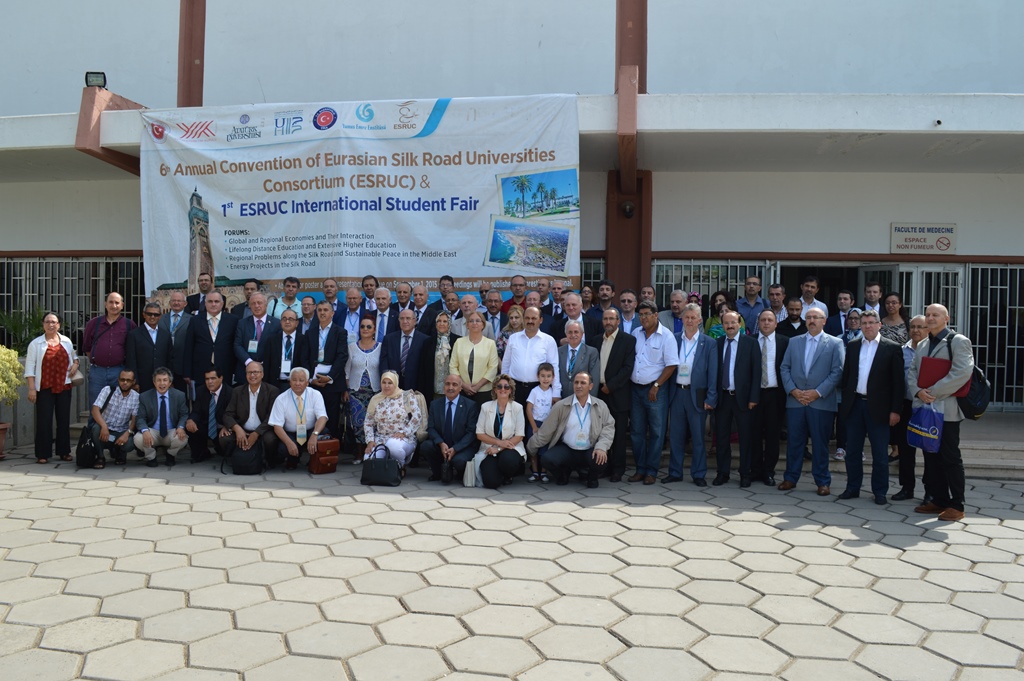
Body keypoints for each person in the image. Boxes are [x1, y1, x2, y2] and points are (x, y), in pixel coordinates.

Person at [907, 304, 974, 522]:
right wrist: (918, 392)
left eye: (935, 315)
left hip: (948, 410)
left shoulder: (958, 341)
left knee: (950, 457)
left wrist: (933, 392)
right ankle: (939, 499)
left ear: (947, 318)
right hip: (926, 409)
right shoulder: (923, 344)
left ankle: (957, 504)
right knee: (931, 456)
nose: (930, 318)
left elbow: (962, 372)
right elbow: (912, 372)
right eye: (928, 314)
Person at [836, 310, 905, 505]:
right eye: (864, 323)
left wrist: (895, 410)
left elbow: (898, 384)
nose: (867, 326)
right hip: (855, 405)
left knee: (880, 454)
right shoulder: (853, 345)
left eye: (871, 322)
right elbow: (847, 377)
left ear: (879, 325)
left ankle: (880, 491)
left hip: (880, 409)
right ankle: (852, 487)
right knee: (853, 451)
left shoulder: (892, 348)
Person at [779, 309, 844, 495]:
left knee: (820, 443)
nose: (812, 320)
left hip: (821, 402)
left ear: (824, 321)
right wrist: (793, 391)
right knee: (794, 442)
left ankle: (822, 481)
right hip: (796, 401)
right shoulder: (794, 342)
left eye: (816, 317)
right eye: (808, 317)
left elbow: (837, 372)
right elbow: (784, 368)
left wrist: (817, 393)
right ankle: (790, 478)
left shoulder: (835, 343)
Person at [529, 372, 615, 488]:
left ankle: (591, 477)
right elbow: (546, 431)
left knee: (601, 458)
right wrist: (530, 447)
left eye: (583, 383)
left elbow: (609, 427)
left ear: (590, 386)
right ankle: (563, 474)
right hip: (568, 449)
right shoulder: (561, 405)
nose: (579, 386)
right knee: (547, 459)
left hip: (590, 449)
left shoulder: (600, 405)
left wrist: (602, 447)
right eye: (576, 382)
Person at [665, 303, 717, 486]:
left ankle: (699, 473)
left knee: (698, 438)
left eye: (693, 317)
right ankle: (675, 472)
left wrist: (711, 397)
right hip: (677, 393)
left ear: (699, 320)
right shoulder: (674, 339)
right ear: (682, 319)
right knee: (676, 437)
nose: (689, 320)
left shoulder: (708, 343)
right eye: (686, 317)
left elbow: (713, 373)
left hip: (698, 396)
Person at [629, 300, 679, 484]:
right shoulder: (636, 333)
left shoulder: (667, 336)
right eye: (640, 315)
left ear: (656, 315)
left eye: (646, 314)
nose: (643, 318)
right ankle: (640, 469)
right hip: (635, 389)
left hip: (656, 390)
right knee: (637, 431)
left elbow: (671, 364)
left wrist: (657, 385)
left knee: (657, 432)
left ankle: (651, 471)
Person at [713, 311, 761, 487]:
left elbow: (757, 372)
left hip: (744, 399)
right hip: (723, 397)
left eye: (733, 322)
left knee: (745, 438)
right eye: (726, 323)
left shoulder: (751, 343)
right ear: (722, 325)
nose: (730, 326)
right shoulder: (718, 343)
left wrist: (754, 397)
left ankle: (745, 473)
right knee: (722, 438)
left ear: (740, 324)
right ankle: (722, 473)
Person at [25, 312, 80, 464]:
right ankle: (42, 453)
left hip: (64, 386)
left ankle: (64, 451)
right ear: (43, 324)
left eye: (54, 322)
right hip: (44, 387)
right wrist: (31, 389)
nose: (51, 325)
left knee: (63, 420)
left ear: (59, 325)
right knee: (44, 421)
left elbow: (74, 357)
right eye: (47, 322)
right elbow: (29, 368)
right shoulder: (36, 344)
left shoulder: (66, 341)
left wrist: (75, 365)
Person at [891, 315, 929, 501]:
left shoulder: (933, 351)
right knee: (905, 450)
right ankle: (907, 488)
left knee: (930, 450)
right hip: (906, 405)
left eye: (920, 327)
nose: (916, 330)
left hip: (927, 407)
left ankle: (931, 491)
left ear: (928, 330)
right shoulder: (901, 351)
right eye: (912, 327)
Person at [750, 309, 789, 486]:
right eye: (763, 320)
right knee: (754, 434)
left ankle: (768, 472)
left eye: (770, 320)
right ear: (758, 323)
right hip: (755, 394)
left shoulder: (784, 342)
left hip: (775, 394)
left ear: (776, 323)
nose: (766, 323)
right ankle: (755, 470)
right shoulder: (750, 341)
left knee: (773, 435)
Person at [598, 308, 636, 482]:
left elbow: (627, 368)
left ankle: (618, 469)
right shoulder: (596, 340)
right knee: (601, 433)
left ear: (618, 321)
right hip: (599, 393)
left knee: (619, 435)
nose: (608, 322)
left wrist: (610, 386)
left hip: (618, 393)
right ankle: (604, 466)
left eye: (611, 319)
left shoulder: (628, 340)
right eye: (605, 319)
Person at [221, 361, 281, 467]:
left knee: (270, 440)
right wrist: (237, 429)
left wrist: (256, 433)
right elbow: (227, 414)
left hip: (263, 430)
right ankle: (237, 460)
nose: (252, 375)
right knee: (224, 438)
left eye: (255, 372)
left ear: (262, 374)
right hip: (243, 428)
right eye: (249, 372)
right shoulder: (238, 391)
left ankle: (269, 461)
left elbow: (271, 416)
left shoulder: (272, 391)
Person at [304, 300, 349, 440]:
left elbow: (342, 356)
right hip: (314, 383)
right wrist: (311, 379)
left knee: (332, 418)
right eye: (320, 310)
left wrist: (329, 377)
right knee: (312, 417)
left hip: (332, 383)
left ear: (332, 313)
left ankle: (330, 448)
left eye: (325, 310)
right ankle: (313, 447)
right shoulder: (310, 333)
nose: (322, 313)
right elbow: (304, 358)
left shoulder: (340, 332)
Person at [423, 374, 481, 483]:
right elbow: (431, 428)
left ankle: (459, 473)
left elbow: (471, 432)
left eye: (454, 385)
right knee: (426, 446)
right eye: (447, 384)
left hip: (461, 447)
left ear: (460, 388)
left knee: (459, 461)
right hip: (442, 445)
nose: (450, 387)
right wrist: (440, 443)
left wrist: (456, 448)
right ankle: (438, 473)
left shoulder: (470, 405)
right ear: (443, 387)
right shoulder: (435, 405)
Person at [82, 291, 136, 409]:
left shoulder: (129, 324)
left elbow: (133, 349)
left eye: (117, 303)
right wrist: (99, 359)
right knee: (95, 405)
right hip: (97, 372)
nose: (114, 305)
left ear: (122, 305)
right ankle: (95, 423)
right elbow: (87, 347)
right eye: (111, 302)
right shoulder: (94, 323)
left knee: (118, 407)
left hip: (119, 371)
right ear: (105, 304)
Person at [472, 374, 526, 488]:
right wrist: (498, 443)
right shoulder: (485, 407)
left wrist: (499, 448)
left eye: (506, 387)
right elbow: (479, 434)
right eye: (499, 386)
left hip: (510, 447)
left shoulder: (518, 408)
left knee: (508, 461)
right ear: (495, 390)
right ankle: (498, 473)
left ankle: (508, 475)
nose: (503, 389)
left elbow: (519, 435)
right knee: (491, 483)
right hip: (489, 448)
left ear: (510, 390)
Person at [363, 370, 422, 473]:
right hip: (381, 438)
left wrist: (404, 432)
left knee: (393, 446)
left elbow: (417, 417)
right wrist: (370, 441)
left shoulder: (407, 396)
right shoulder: (375, 399)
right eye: (384, 382)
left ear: (395, 383)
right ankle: (385, 471)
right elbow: (368, 422)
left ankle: (399, 467)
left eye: (390, 383)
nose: (386, 386)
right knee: (368, 459)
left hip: (403, 438)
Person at [269, 367, 329, 468]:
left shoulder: (315, 395)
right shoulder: (281, 399)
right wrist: (289, 443)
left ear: (307, 383)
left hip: (310, 431)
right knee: (283, 449)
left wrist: (315, 435)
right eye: (294, 380)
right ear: (289, 382)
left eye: (301, 380)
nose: (297, 383)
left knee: (323, 434)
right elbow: (277, 426)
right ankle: (292, 458)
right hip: (291, 433)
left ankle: (314, 461)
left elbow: (322, 417)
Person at [501, 306, 560, 406]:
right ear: (523, 319)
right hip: (515, 388)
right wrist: (504, 386)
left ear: (541, 320)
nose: (530, 321)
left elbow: (554, 367)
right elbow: (506, 364)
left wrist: (556, 392)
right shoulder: (513, 338)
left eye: (534, 318)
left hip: (538, 389)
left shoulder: (548, 341)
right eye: (527, 318)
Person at [133, 367, 189, 467]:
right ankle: (151, 457)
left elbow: (184, 414)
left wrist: (180, 427)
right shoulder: (145, 396)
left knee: (182, 438)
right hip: (152, 432)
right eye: (158, 380)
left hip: (171, 431)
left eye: (165, 380)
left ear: (170, 382)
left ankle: (170, 455)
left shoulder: (179, 395)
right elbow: (140, 417)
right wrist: (145, 431)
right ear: (154, 382)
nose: (162, 383)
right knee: (138, 438)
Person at [345, 314, 382, 460]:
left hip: (375, 392)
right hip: (356, 392)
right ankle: (359, 452)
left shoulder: (380, 347)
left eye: (368, 327)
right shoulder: (352, 348)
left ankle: (372, 451)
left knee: (373, 421)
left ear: (374, 330)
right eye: (362, 326)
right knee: (358, 422)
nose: (365, 329)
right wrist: (345, 390)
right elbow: (347, 371)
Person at [184, 291, 239, 389]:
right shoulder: (195, 320)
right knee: (202, 396)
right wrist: (187, 372)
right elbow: (189, 347)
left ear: (222, 304)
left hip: (225, 368)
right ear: (205, 303)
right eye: (210, 301)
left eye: (216, 301)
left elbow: (236, 345)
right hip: (201, 369)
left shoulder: (233, 320)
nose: (213, 304)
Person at [90, 368, 139, 468]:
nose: (125, 383)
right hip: (105, 431)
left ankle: (119, 451)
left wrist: (127, 433)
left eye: (128, 380)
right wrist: (104, 426)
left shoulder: (136, 397)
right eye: (122, 380)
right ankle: (100, 457)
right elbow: (95, 410)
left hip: (120, 433)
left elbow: (134, 420)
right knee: (96, 429)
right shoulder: (108, 390)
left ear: (133, 382)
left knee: (129, 444)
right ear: (118, 380)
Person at [450, 311, 500, 406]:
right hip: (462, 389)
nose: (474, 323)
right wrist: (463, 385)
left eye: (478, 320)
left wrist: (477, 386)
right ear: (467, 325)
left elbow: (493, 368)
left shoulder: (490, 344)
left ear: (483, 325)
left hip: (484, 390)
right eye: (471, 321)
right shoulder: (459, 342)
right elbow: (453, 366)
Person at [232, 292, 281, 385]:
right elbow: (237, 345)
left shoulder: (277, 324)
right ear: (250, 306)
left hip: (267, 371)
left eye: (259, 303)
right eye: (253, 303)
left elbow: (278, 348)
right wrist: (249, 362)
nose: (256, 306)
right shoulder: (242, 323)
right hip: (245, 371)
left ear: (266, 305)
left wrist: (264, 362)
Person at [185, 367, 231, 463]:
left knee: (225, 452)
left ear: (221, 378)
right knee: (190, 426)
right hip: (207, 425)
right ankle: (202, 453)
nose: (210, 382)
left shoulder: (230, 392)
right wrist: (190, 420)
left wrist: (227, 426)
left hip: (222, 427)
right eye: (207, 379)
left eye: (213, 378)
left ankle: (220, 449)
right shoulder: (200, 391)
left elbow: (232, 414)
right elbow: (196, 411)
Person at [380, 308, 431, 394]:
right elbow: (384, 362)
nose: (405, 321)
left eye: (408, 318)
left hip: (416, 386)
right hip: (393, 386)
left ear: (415, 321)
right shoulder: (389, 339)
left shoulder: (424, 340)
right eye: (402, 318)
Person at [125, 302, 173, 393]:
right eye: (149, 314)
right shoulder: (134, 335)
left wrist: (169, 380)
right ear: (144, 315)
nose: (152, 317)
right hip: (142, 381)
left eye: (156, 314)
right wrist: (135, 381)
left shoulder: (166, 335)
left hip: (162, 381)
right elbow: (131, 360)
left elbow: (170, 359)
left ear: (160, 316)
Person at [525, 363, 556, 482]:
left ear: (553, 377)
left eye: (548, 376)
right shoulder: (534, 391)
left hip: (547, 425)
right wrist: (534, 426)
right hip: (535, 423)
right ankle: (535, 472)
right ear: (538, 377)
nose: (545, 379)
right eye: (543, 376)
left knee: (545, 449)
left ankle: (543, 472)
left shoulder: (553, 392)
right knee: (533, 449)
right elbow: (528, 409)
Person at [263, 309, 307, 392]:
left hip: (297, 385)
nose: (287, 322)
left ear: (297, 323)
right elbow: (267, 364)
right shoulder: (272, 340)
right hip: (275, 384)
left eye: (291, 319)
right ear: (280, 322)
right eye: (284, 319)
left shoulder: (304, 340)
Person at [158, 291, 192, 395]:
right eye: (173, 300)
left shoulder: (191, 319)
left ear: (185, 303)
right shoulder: (161, 318)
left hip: (182, 367)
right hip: (164, 365)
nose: (176, 303)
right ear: (170, 303)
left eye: (179, 301)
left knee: (181, 397)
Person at [557, 321, 599, 399]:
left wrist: (590, 401)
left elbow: (594, 380)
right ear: (566, 334)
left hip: (582, 399)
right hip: (562, 399)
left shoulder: (591, 352)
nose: (573, 335)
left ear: (582, 334)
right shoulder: (558, 351)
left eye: (576, 332)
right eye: (570, 332)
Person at [427, 311, 459, 401]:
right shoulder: (428, 342)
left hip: (453, 388)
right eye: (439, 321)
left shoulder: (457, 341)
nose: (441, 324)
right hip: (434, 389)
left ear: (449, 323)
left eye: (445, 321)